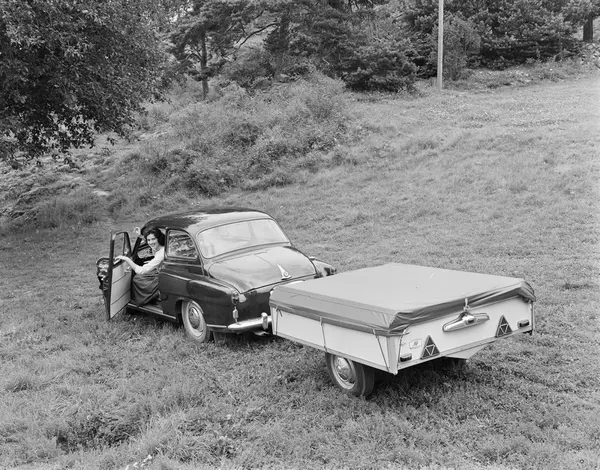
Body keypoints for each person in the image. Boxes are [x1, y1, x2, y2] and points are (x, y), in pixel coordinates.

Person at [116, 227, 165, 307]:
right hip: (161, 271)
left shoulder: (161, 254)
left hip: (162, 277)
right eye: (148, 240)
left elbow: (141, 270)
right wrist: (140, 235)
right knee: (139, 277)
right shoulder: (162, 247)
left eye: (153, 239)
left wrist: (127, 259)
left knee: (137, 279)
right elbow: (150, 243)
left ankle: (151, 298)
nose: (150, 242)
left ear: (159, 238)